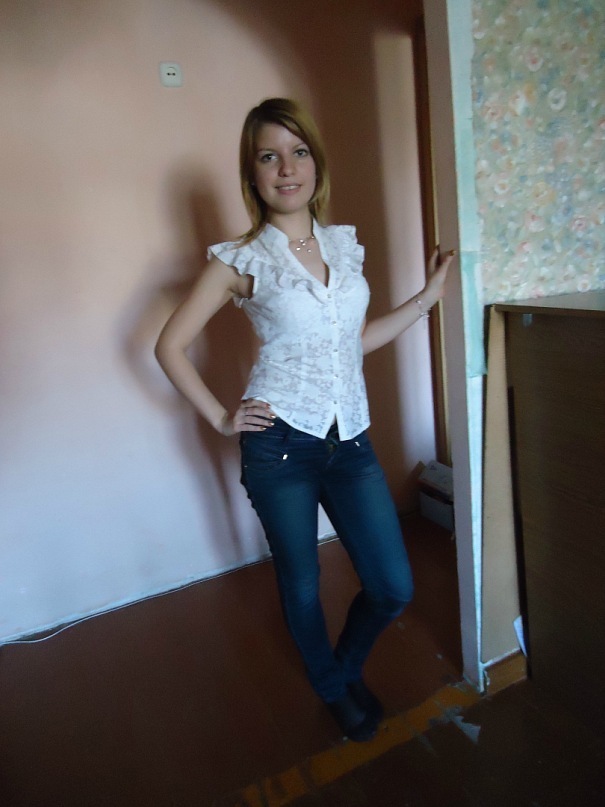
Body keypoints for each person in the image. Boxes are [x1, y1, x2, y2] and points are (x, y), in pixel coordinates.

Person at [155, 97, 455, 742]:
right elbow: (169, 346)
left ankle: (341, 670)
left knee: (392, 586)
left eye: (297, 152)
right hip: (279, 447)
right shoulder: (240, 260)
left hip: (351, 440)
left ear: (316, 162)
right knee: (301, 584)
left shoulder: (343, 246)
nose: (286, 168)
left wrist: (426, 300)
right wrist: (221, 417)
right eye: (269, 156)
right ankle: (332, 688)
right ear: (253, 173)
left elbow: (353, 341)